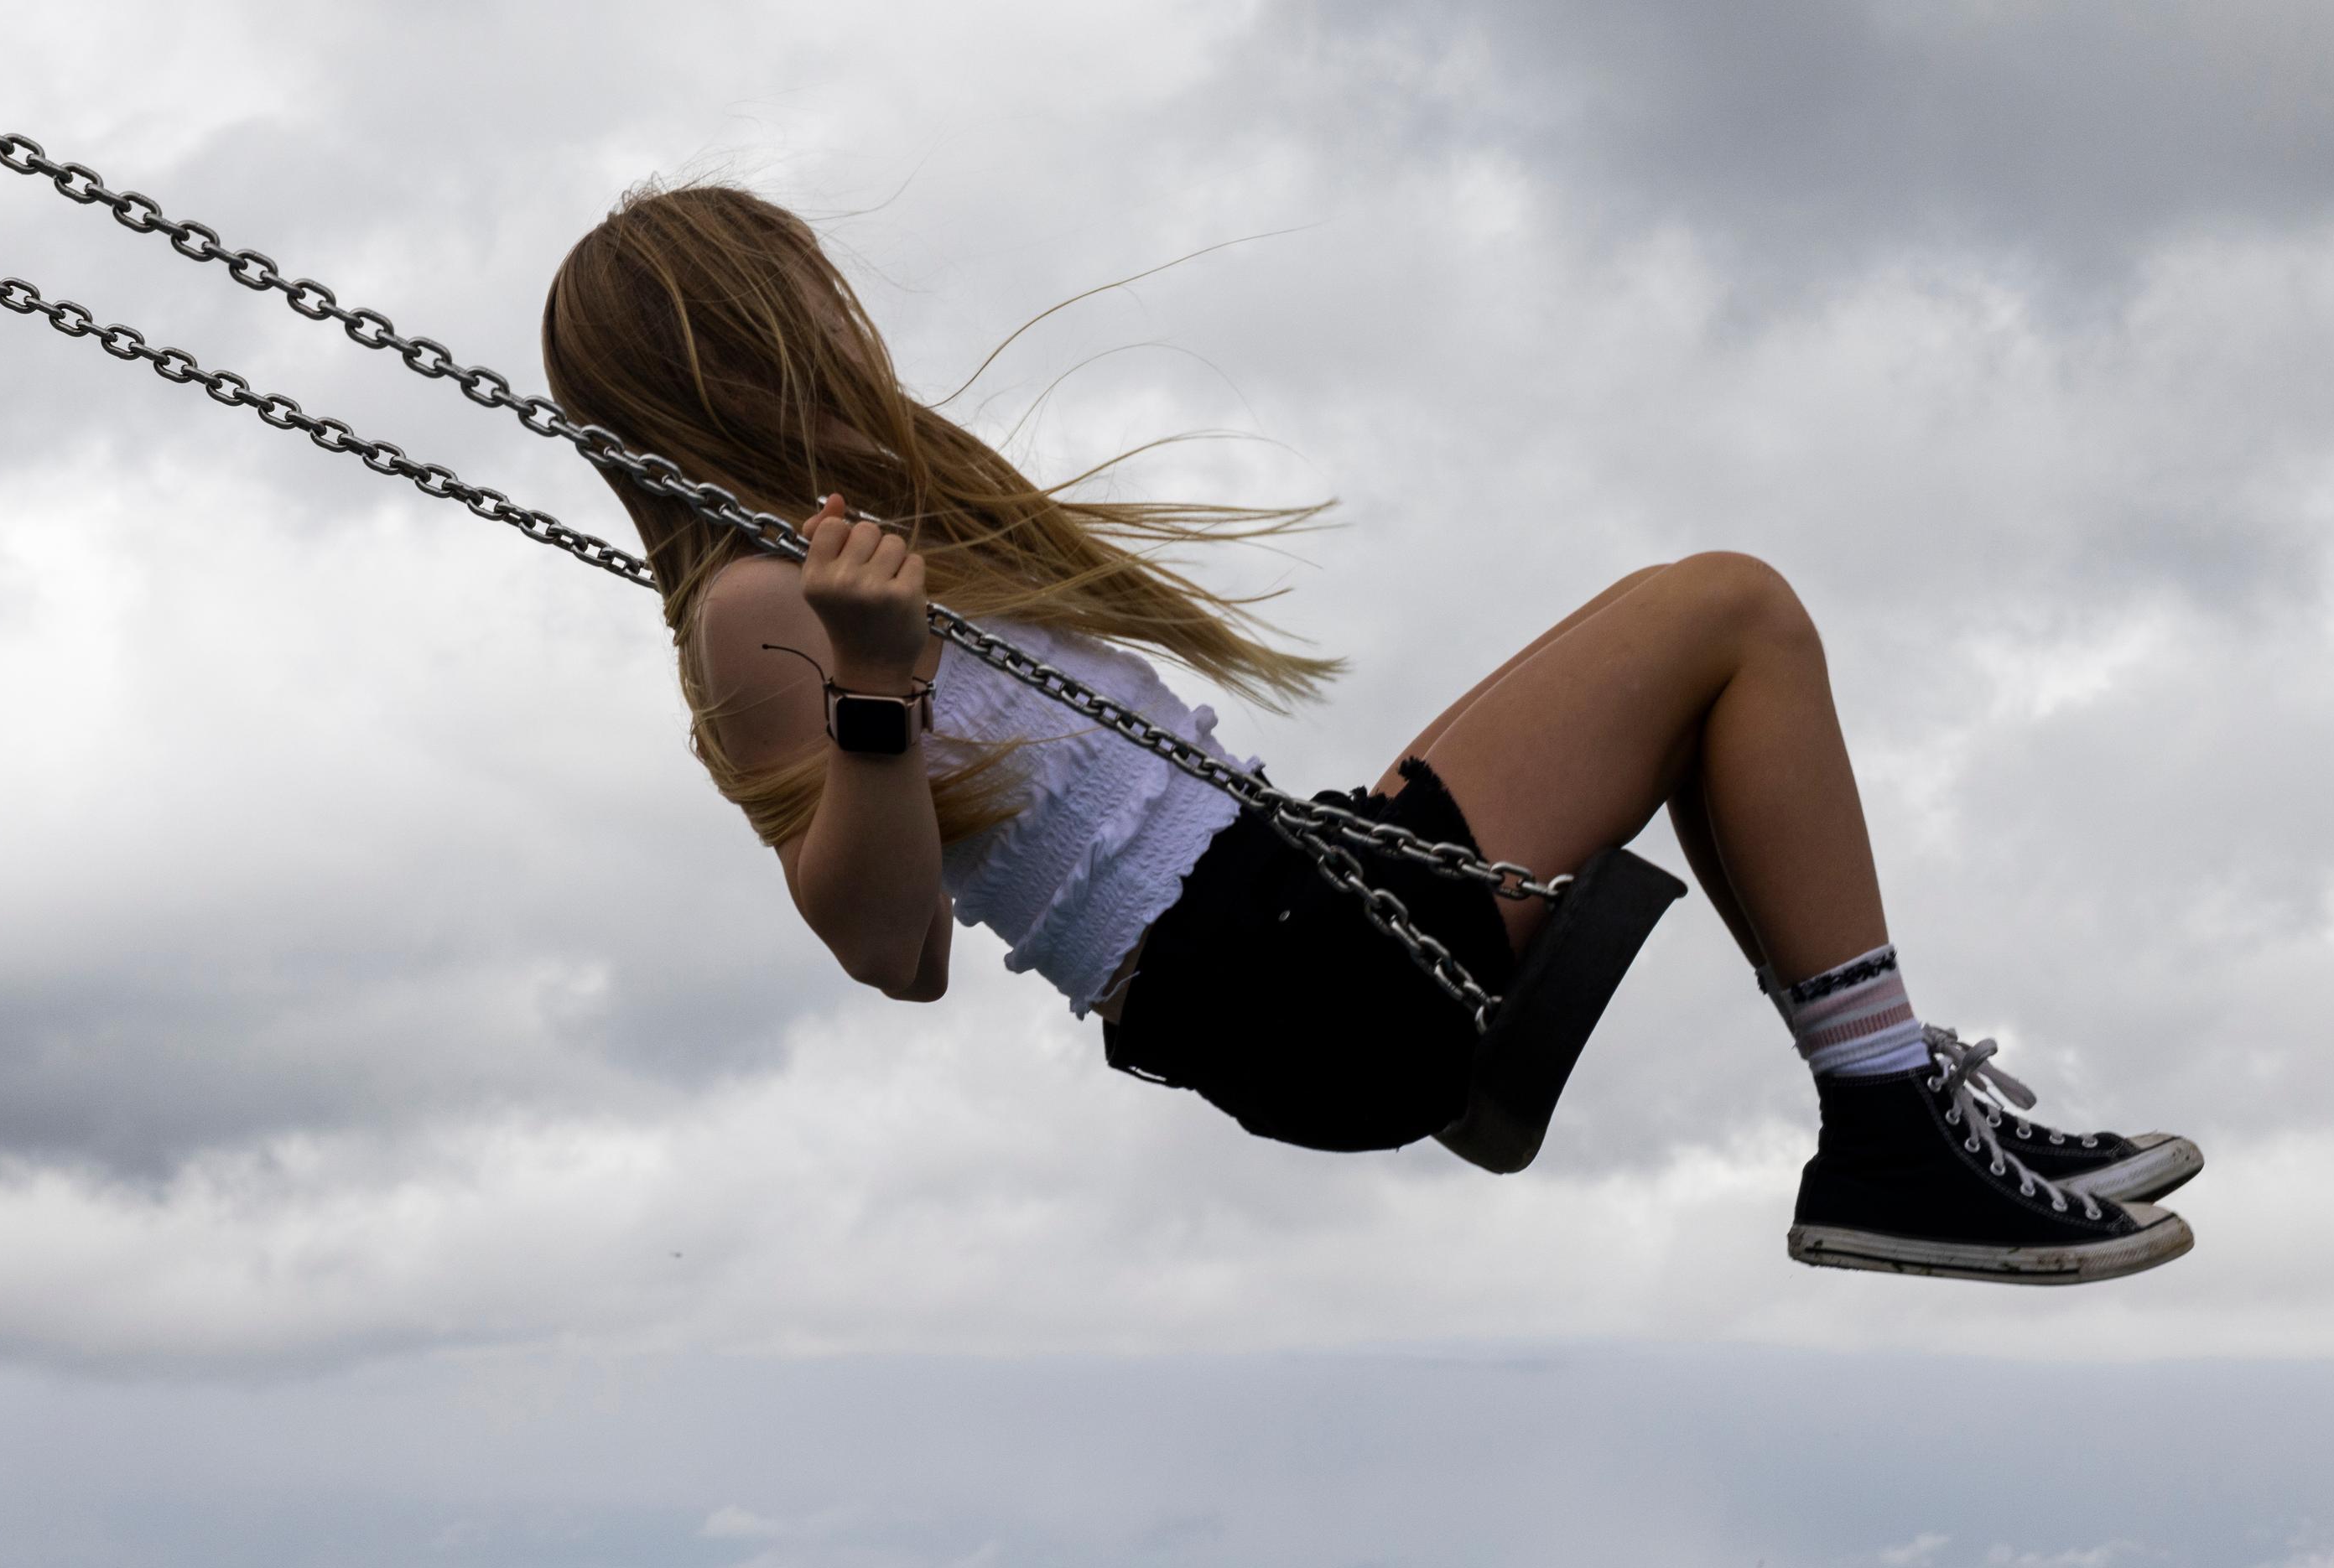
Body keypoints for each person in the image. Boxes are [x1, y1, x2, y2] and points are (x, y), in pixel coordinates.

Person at [540, 184, 2201, 1285]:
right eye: (803, 315)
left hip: (1291, 913)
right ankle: (1889, 1126)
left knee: (1719, 644)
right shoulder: (759, 604)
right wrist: (881, 692)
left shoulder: (841, 542)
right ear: (732, 350)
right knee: (1729, 613)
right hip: (1273, 960)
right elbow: (887, 946)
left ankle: (1895, 1110)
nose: (846, 336)